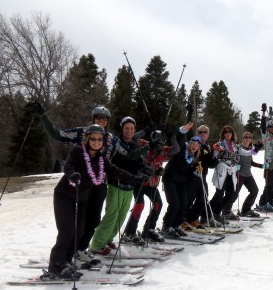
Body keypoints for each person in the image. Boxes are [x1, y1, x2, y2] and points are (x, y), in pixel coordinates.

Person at [28, 103, 144, 263]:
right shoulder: (83, 133)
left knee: (93, 220)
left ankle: (81, 249)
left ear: (108, 121)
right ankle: (67, 253)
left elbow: (129, 156)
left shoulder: (112, 139)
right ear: (93, 119)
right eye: (98, 118)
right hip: (80, 183)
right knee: (74, 224)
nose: (101, 122)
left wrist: (147, 153)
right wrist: (43, 116)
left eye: (104, 119)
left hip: (100, 184)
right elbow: (56, 134)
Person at [44, 125, 146, 280]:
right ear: (87, 139)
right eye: (93, 138)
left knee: (79, 232)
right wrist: (72, 175)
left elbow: (117, 172)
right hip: (64, 195)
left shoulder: (101, 159)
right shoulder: (78, 151)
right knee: (67, 231)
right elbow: (69, 165)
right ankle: (55, 266)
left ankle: (66, 262)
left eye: (100, 139)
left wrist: (137, 178)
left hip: (82, 198)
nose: (96, 142)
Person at [89, 117, 150, 254]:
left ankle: (108, 239)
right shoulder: (117, 143)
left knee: (121, 217)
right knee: (111, 215)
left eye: (132, 128)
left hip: (129, 186)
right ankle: (97, 244)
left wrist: (146, 170)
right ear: (122, 129)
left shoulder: (134, 144)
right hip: (116, 183)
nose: (129, 131)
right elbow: (124, 161)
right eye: (126, 128)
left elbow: (138, 162)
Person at [122, 128, 180, 244]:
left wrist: (172, 137)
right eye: (156, 142)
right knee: (139, 205)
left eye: (160, 143)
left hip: (152, 184)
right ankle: (129, 232)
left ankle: (149, 229)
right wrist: (144, 131)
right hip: (139, 182)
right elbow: (133, 139)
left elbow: (176, 149)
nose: (157, 145)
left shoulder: (164, 150)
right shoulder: (144, 144)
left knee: (158, 204)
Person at [209, 125, 263, 222]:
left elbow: (246, 153)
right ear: (223, 134)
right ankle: (209, 214)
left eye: (230, 132)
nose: (228, 134)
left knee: (232, 194)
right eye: (226, 132)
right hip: (222, 171)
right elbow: (214, 159)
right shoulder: (219, 145)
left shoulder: (236, 146)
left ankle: (216, 213)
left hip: (232, 172)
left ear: (232, 134)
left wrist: (256, 149)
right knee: (219, 194)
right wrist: (219, 156)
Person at [160, 123, 201, 238]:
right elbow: (181, 139)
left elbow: (187, 172)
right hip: (170, 179)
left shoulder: (193, 158)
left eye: (196, 145)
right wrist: (183, 131)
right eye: (192, 144)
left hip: (181, 182)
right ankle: (166, 226)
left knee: (184, 205)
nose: (194, 146)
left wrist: (195, 172)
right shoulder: (183, 150)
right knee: (175, 205)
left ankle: (176, 225)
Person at [222, 131, 264, 218]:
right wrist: (236, 165)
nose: (248, 139)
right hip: (239, 174)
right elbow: (232, 159)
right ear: (243, 139)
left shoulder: (250, 149)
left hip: (248, 174)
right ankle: (226, 211)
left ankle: (246, 210)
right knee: (234, 194)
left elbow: (251, 162)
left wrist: (261, 165)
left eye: (249, 137)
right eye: (246, 137)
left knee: (254, 191)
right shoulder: (238, 148)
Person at [185, 124, 217, 228]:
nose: (202, 134)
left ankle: (192, 219)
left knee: (203, 198)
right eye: (200, 132)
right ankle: (182, 220)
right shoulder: (193, 144)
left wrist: (218, 157)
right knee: (188, 199)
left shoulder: (207, 147)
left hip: (202, 177)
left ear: (208, 135)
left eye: (204, 132)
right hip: (191, 177)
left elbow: (211, 164)